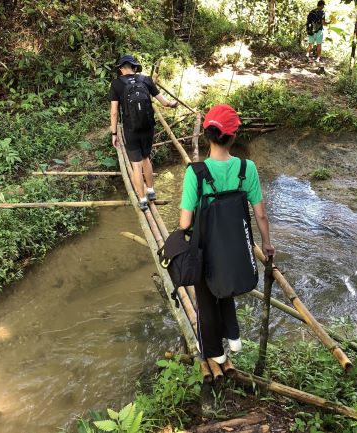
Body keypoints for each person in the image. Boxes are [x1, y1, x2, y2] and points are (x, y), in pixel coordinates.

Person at [178, 104, 275, 364]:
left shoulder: (195, 173)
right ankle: (234, 338)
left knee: (207, 299)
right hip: (236, 248)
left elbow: (185, 222)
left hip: (207, 251)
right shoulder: (248, 169)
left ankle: (216, 355)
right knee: (226, 287)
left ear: (207, 136)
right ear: (233, 136)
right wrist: (266, 245)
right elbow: (261, 215)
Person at [109, 54, 178, 211]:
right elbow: (164, 102)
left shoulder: (116, 84)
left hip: (130, 129)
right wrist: (172, 104)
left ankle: (142, 200)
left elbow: (114, 112)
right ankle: (151, 191)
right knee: (146, 157)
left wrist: (114, 134)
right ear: (134, 67)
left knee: (136, 165)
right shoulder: (146, 79)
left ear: (120, 69)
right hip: (148, 127)